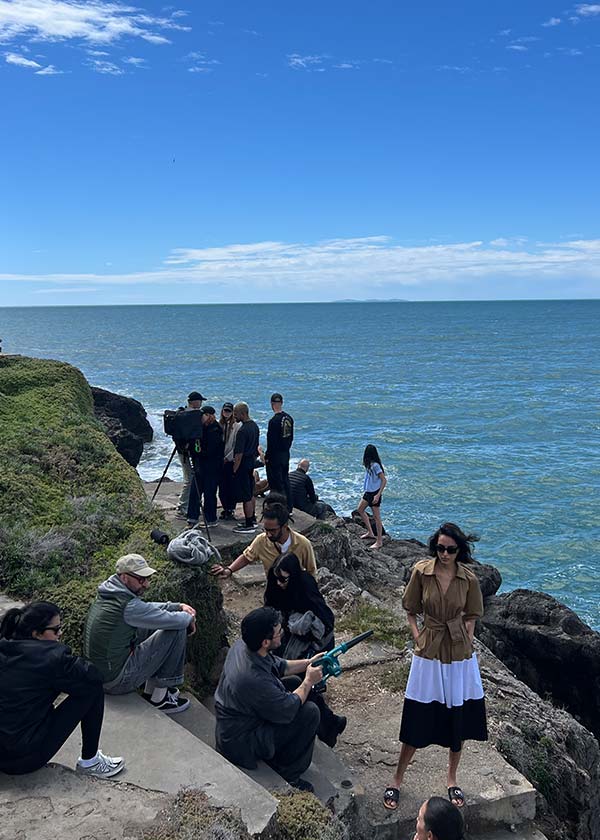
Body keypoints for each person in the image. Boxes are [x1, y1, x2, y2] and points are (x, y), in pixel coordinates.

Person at [383, 523, 487, 812]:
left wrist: (467, 638)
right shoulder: (421, 572)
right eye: (440, 548)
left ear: (459, 550)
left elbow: (472, 614)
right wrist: (418, 637)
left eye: (451, 549)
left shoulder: (468, 579)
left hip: (458, 652)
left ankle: (452, 778)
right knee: (417, 713)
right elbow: (410, 608)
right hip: (428, 648)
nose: (444, 554)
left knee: (457, 716)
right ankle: (397, 779)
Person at [214, 607, 346, 790]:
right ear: (265, 642)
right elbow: (288, 708)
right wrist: (309, 681)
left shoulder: (244, 646)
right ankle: (290, 774)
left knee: (293, 683)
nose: (283, 633)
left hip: (240, 719)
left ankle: (328, 730)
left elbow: (281, 665)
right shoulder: (252, 678)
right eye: (278, 632)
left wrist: (309, 663)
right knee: (309, 713)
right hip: (241, 742)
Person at [0, 601, 125, 779]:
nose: (60, 633)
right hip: (22, 758)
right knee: (92, 688)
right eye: (56, 629)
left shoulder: (5, 646)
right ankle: (90, 761)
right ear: (36, 633)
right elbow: (94, 676)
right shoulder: (50, 658)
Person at [84, 554, 196, 714]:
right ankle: (161, 698)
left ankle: (151, 691)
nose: (147, 584)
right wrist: (189, 617)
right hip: (116, 683)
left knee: (156, 624)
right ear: (124, 577)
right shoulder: (128, 606)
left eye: (148, 578)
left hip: (100, 676)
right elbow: (176, 621)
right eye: (141, 579)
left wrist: (177, 606)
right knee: (176, 628)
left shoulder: (108, 593)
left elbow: (146, 608)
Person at [211, 500, 317, 579]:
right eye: (266, 530)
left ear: (284, 526)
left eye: (273, 531)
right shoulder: (261, 540)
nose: (268, 534)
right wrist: (229, 570)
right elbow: (246, 557)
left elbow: (311, 571)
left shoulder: (303, 544)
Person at [264, 552, 335, 659]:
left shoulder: (306, 585)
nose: (278, 583)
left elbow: (323, 618)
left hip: (308, 636)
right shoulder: (275, 585)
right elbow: (270, 606)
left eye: (282, 579)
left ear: (293, 576)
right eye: (276, 578)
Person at [187, 406, 225, 527]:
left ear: (209, 416)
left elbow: (210, 450)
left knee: (209, 493)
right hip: (200, 466)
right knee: (195, 492)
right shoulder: (200, 428)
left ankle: (211, 519)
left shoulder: (215, 429)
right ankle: (192, 518)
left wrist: (197, 452)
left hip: (212, 467)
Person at [175, 391, 205, 518]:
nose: (201, 403)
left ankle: (190, 505)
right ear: (194, 402)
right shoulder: (192, 415)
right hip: (187, 452)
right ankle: (182, 507)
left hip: (183, 451)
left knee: (191, 478)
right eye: (200, 401)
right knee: (190, 479)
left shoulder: (181, 414)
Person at [232, 401, 260, 533]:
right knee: (250, 492)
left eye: (236, 414)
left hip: (243, 464)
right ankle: (252, 518)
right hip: (251, 462)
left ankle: (248, 524)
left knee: (245, 496)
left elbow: (238, 454)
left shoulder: (242, 431)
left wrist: (234, 470)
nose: (234, 416)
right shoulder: (254, 426)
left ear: (243, 414)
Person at [265, 393, 294, 511]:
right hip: (285, 453)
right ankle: (289, 507)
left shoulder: (273, 421)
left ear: (272, 404)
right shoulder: (289, 418)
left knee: (276, 483)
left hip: (275, 456)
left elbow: (271, 442)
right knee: (285, 480)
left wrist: (267, 456)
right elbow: (291, 437)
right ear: (282, 403)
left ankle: (280, 507)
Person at [357, 444, 387, 549]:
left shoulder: (375, 466)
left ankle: (379, 541)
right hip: (368, 493)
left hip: (374, 493)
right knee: (360, 510)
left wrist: (378, 495)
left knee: (377, 518)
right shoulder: (369, 465)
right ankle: (370, 532)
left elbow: (384, 480)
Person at [219, 402, 241, 520]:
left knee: (231, 486)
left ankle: (230, 509)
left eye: (229, 411)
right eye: (225, 410)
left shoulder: (237, 426)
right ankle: (225, 508)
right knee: (222, 487)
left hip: (230, 460)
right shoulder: (220, 424)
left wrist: (228, 458)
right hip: (220, 460)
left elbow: (236, 446)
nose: (226, 413)